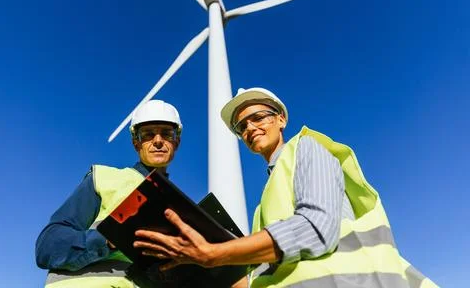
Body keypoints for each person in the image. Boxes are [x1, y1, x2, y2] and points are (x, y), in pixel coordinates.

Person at [133, 88, 438, 288]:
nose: (250, 128)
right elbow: (272, 265)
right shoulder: (265, 204)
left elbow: (316, 228)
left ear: (281, 119)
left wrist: (217, 253)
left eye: (258, 117)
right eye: (242, 127)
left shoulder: (307, 148)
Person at [35, 100, 183, 288]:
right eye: (148, 134)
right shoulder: (104, 180)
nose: (158, 140)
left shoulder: (179, 209)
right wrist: (110, 238)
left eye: (166, 133)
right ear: (136, 142)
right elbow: (48, 247)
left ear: (176, 141)